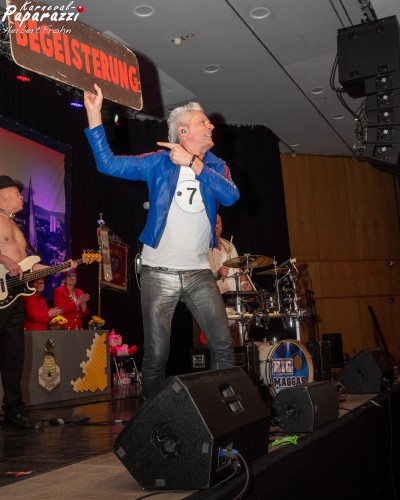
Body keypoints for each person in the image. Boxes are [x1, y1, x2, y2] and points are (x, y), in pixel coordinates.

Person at [84, 83, 240, 399]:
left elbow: (231, 196)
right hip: (158, 273)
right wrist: (94, 115)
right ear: (183, 131)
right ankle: (153, 416)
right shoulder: (159, 162)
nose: (211, 126)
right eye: (203, 122)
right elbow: (108, 164)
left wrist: (194, 163)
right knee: (156, 354)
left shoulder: (216, 166)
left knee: (223, 345)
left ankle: (226, 408)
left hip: (199, 273)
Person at [0, 175, 76, 428]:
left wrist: (63, 266)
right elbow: (9, 261)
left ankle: (13, 411)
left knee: (14, 354)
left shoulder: (15, 225)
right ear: (3, 194)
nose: (21, 197)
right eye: (16, 192)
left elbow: (28, 267)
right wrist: (4, 259)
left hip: (15, 297)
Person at [207, 213, 252, 346]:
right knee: (234, 330)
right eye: (212, 223)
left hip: (234, 301)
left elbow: (239, 271)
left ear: (221, 226)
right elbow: (199, 276)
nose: (215, 226)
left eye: (217, 223)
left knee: (243, 329)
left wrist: (244, 283)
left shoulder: (229, 246)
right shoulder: (202, 248)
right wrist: (217, 273)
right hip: (216, 302)